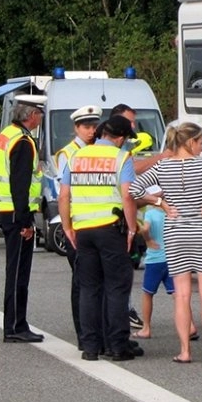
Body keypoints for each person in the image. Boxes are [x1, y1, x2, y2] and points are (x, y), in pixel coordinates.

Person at [130, 122, 202, 364]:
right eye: (201, 142)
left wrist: (161, 203)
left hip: (175, 233)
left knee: (181, 295)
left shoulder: (162, 167)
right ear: (190, 142)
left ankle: (184, 351)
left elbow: (133, 188)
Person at [59, 115, 139, 361]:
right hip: (110, 228)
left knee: (89, 288)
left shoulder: (76, 156)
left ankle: (90, 347)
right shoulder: (121, 157)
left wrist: (68, 227)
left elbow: (63, 196)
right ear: (121, 138)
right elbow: (127, 196)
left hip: (83, 230)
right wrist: (133, 228)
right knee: (116, 287)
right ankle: (117, 346)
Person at [0, 95, 46, 344]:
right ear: (31, 115)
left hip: (7, 210)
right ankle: (15, 326)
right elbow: (20, 184)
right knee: (17, 273)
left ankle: (16, 324)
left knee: (15, 271)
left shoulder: (7, 134)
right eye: (40, 113)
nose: (41, 118)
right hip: (17, 214)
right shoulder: (23, 142)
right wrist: (26, 221)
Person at [110, 103, 168, 329]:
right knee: (118, 278)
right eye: (129, 121)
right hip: (116, 223)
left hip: (114, 222)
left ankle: (120, 316)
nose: (134, 126)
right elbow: (131, 181)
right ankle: (118, 324)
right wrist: (163, 157)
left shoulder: (121, 149)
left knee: (120, 276)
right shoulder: (117, 153)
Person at [54, 104, 102, 349]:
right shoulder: (68, 154)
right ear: (76, 127)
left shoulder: (100, 150)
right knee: (82, 283)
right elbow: (64, 194)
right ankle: (84, 335)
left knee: (95, 283)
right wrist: (67, 225)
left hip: (97, 223)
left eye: (94, 126)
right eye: (86, 126)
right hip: (77, 223)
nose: (91, 131)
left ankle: (96, 333)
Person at [131, 203, 199, 341]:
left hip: (154, 259)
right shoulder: (174, 213)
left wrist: (148, 239)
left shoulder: (150, 214)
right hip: (172, 259)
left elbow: (145, 229)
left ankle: (146, 328)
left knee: (148, 293)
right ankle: (190, 326)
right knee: (178, 295)